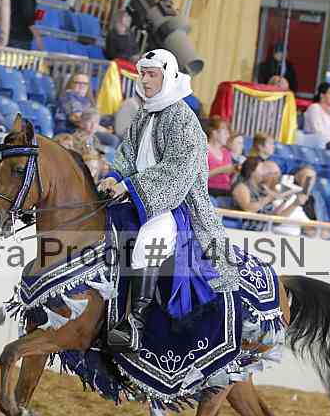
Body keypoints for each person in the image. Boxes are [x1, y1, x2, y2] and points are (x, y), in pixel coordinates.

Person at [96, 48, 239, 352]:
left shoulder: (185, 120)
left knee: (149, 240)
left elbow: (175, 173)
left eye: (152, 75)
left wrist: (129, 186)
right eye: (143, 74)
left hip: (173, 205)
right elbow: (127, 155)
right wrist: (113, 177)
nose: (145, 80)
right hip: (138, 195)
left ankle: (135, 322)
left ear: (169, 76)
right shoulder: (144, 113)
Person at [206, 118, 235, 197]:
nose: (228, 136)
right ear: (214, 132)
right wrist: (221, 170)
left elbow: (229, 178)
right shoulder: (204, 150)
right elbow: (199, 176)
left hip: (226, 191)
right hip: (208, 191)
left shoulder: (226, 152)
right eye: (225, 133)